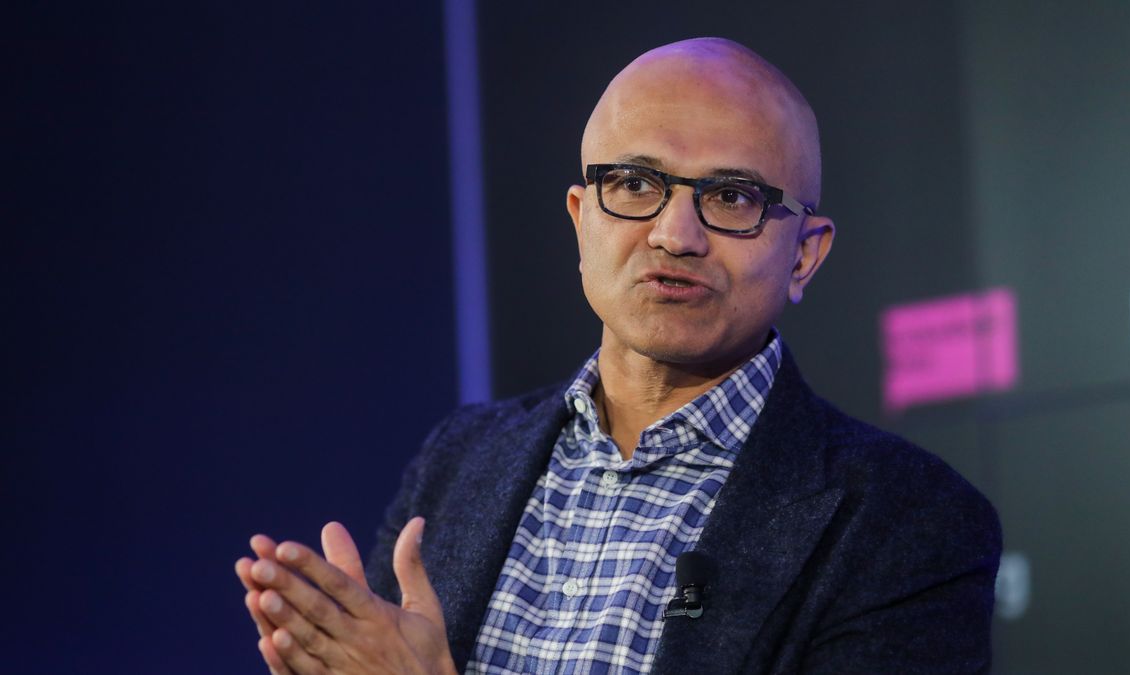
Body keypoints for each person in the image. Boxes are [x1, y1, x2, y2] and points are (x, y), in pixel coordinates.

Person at [235, 37, 1001, 674]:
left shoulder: (907, 521)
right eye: (634, 183)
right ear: (581, 221)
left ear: (804, 253)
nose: (675, 234)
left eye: (732, 197)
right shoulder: (459, 459)